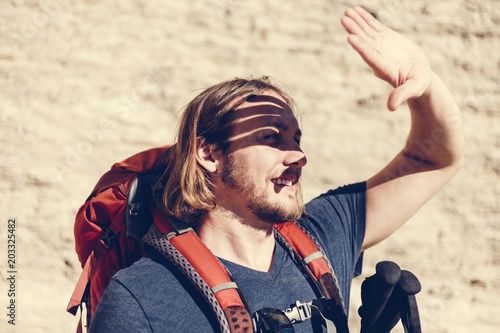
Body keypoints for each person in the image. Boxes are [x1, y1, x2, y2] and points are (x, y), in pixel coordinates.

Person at [88, 7, 464, 333]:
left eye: (296, 138)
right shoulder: (140, 298)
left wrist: (427, 86)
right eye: (272, 138)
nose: (297, 154)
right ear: (208, 153)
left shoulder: (322, 236)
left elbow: (431, 160)